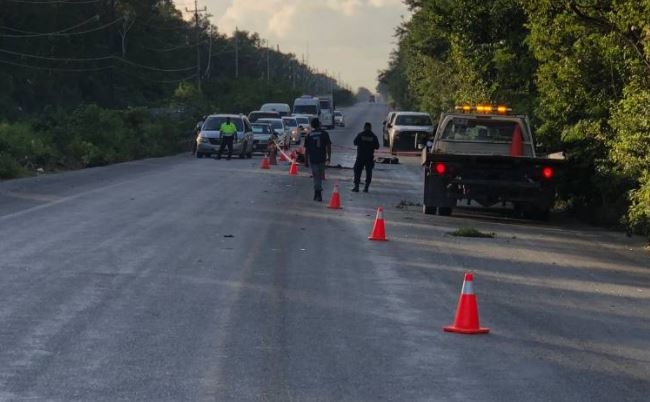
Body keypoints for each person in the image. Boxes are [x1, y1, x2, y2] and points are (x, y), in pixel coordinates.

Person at [304, 118, 331, 201]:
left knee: (316, 176)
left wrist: (306, 160)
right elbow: (328, 146)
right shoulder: (324, 134)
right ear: (319, 124)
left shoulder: (309, 135)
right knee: (319, 176)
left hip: (313, 159)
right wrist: (329, 157)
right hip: (322, 158)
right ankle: (318, 192)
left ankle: (317, 192)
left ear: (312, 125)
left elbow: (306, 150)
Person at [352, 122, 380, 192]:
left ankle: (356, 187)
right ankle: (366, 187)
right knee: (368, 172)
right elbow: (377, 146)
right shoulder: (373, 136)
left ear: (364, 127)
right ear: (370, 128)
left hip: (360, 157)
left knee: (357, 171)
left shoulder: (360, 135)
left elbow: (355, 142)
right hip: (369, 157)